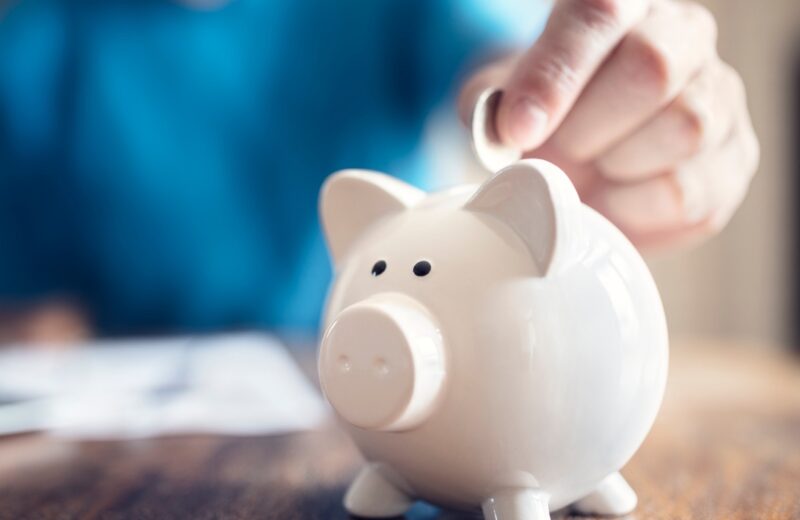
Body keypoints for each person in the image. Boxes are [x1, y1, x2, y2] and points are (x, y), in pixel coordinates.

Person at [0, 0, 759, 340]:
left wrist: (555, 103)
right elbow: (31, 320)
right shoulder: (34, 38)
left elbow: (491, 68)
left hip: (414, 381)